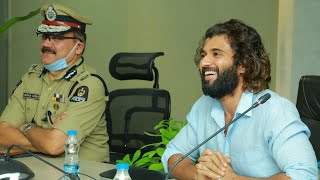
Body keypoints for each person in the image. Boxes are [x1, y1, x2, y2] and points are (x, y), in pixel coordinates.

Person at [161, 19, 318, 179]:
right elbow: (173, 155)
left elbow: (306, 175)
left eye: (216, 54)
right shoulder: (203, 106)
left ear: (243, 64)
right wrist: (197, 176)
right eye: (203, 55)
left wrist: (235, 179)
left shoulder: (276, 110)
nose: (204, 62)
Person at [0, 4, 109, 162]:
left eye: (57, 38)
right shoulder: (31, 78)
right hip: (39, 167)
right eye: (44, 37)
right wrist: (43, 143)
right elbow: (3, 132)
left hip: (82, 173)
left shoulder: (88, 85)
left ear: (78, 48)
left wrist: (25, 127)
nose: (46, 44)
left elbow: (55, 145)